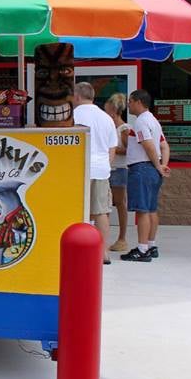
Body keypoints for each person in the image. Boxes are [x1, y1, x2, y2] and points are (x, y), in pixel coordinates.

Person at [121, 89, 169, 262]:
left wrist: (158, 165)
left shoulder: (141, 122)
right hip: (152, 169)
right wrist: (163, 165)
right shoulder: (154, 121)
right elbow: (164, 145)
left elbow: (148, 145)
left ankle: (141, 249)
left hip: (142, 168)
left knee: (142, 210)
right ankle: (151, 244)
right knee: (151, 209)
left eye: (130, 101)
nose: (128, 105)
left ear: (138, 102)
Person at [73, 82, 118, 264]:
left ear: (77, 96)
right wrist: (105, 166)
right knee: (101, 213)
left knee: (75, 212)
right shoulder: (106, 118)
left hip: (77, 169)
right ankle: (103, 252)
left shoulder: (72, 115)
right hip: (100, 170)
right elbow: (112, 148)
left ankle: (76, 249)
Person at [105, 93, 131, 252]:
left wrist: (112, 149)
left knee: (120, 203)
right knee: (106, 204)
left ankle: (122, 238)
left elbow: (130, 150)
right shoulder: (110, 127)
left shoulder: (124, 129)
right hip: (109, 169)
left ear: (113, 111)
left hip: (120, 169)